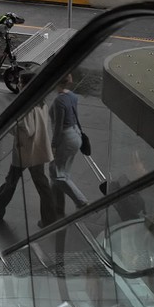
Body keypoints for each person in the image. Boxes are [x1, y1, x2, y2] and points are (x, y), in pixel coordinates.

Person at [0, 106, 62, 236]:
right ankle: (49, 218)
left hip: (25, 150)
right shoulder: (41, 103)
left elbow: (27, 129)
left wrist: (10, 125)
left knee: (12, 180)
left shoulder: (28, 108)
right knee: (40, 183)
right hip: (37, 148)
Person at [49, 74, 92, 207]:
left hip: (66, 138)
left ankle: (81, 202)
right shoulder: (72, 96)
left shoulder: (59, 101)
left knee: (56, 173)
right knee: (63, 171)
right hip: (76, 135)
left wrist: (54, 146)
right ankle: (55, 204)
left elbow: (59, 126)